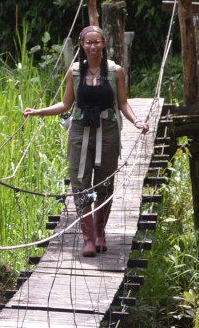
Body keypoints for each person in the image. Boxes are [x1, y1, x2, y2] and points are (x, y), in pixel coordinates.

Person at [23, 25, 149, 257]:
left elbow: (123, 103)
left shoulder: (115, 71)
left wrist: (137, 121)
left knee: (105, 182)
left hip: (108, 130)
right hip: (80, 130)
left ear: (104, 44)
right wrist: (38, 111)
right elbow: (65, 105)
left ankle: (100, 233)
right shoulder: (75, 72)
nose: (93, 46)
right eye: (88, 42)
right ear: (82, 45)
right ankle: (88, 237)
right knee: (80, 182)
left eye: (97, 42)